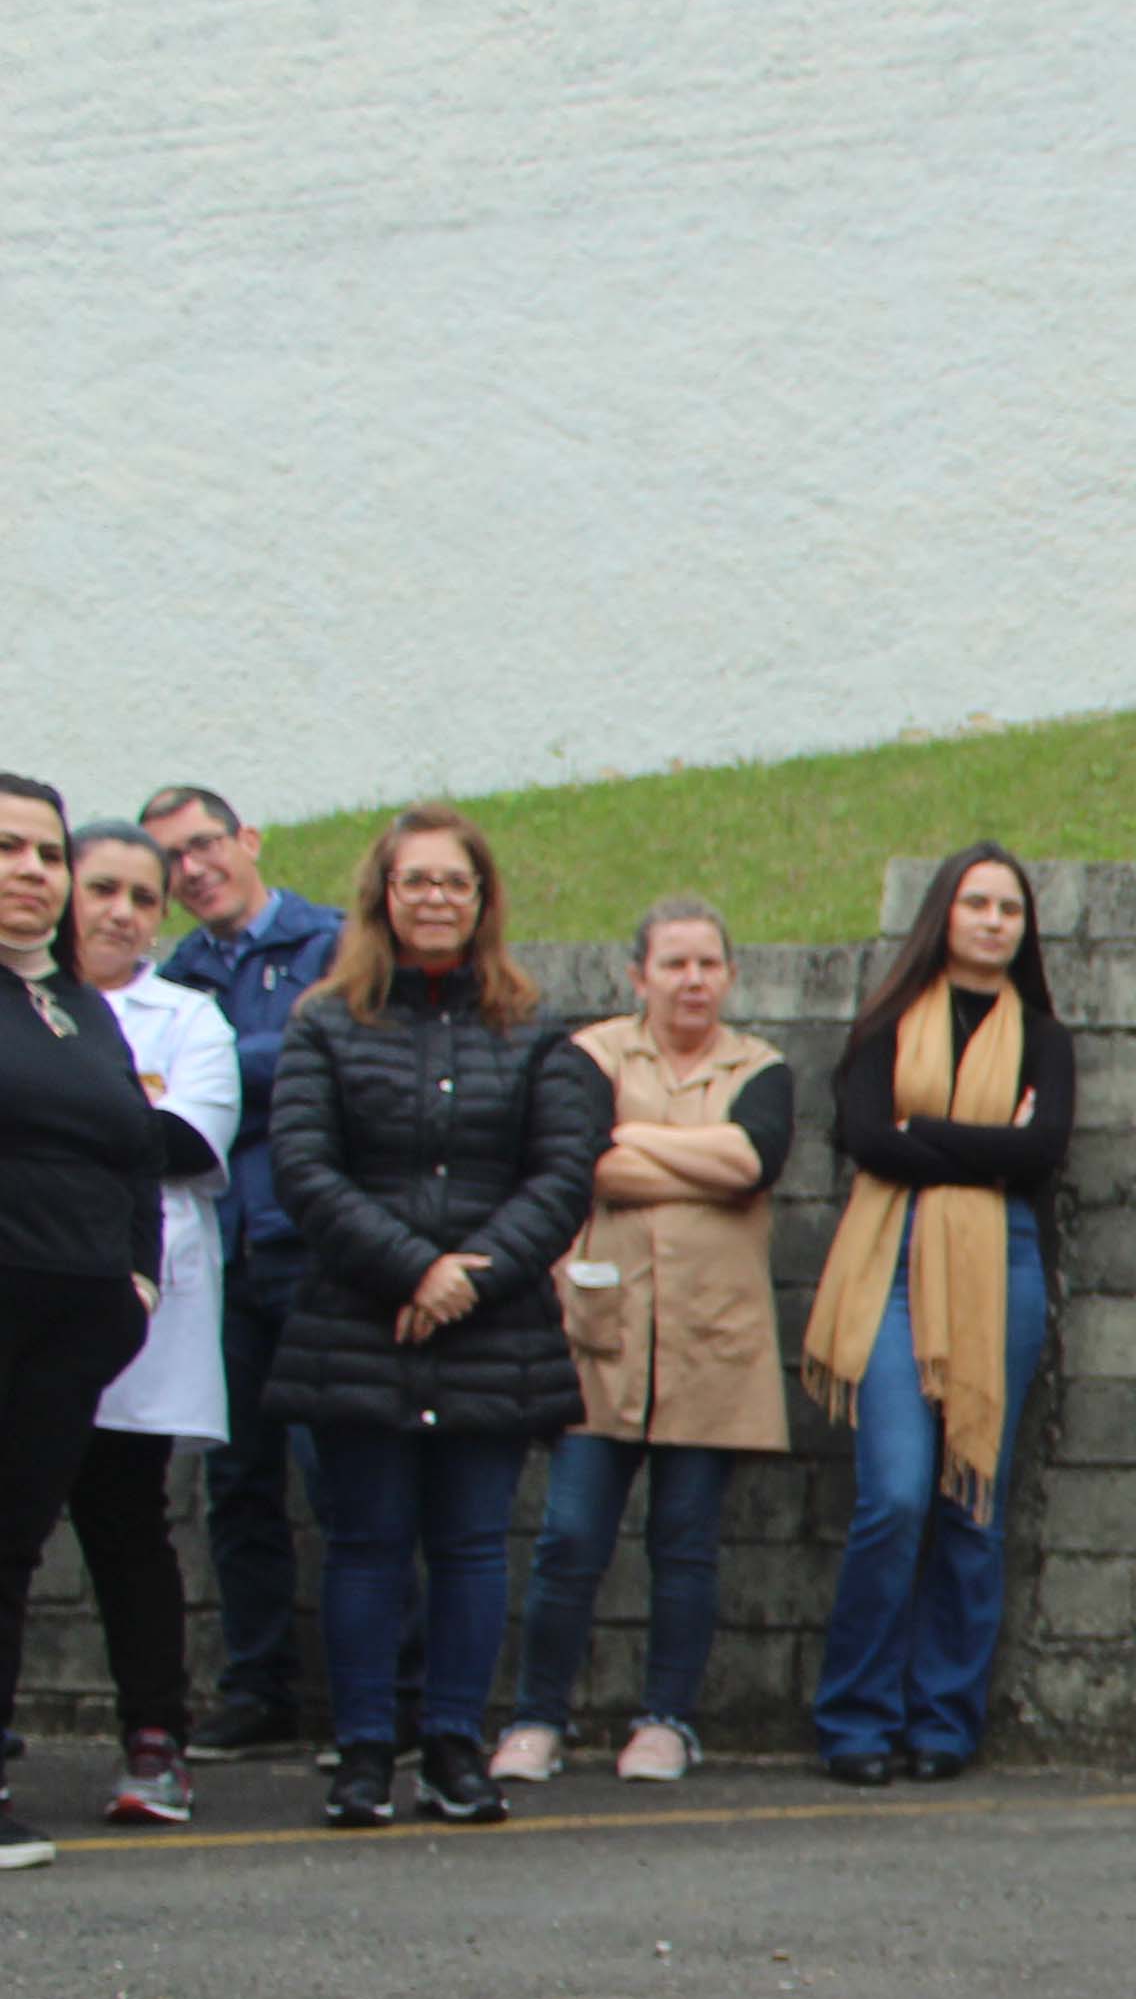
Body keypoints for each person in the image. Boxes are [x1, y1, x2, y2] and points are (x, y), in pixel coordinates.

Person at [263, 807, 611, 1829]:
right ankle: (366, 1748)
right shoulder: (324, 1024)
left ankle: (456, 1745)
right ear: (383, 895)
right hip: (359, 1322)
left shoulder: (533, 1030)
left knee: (469, 1546)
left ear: (482, 900)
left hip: (490, 1330)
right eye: (415, 881)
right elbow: (304, 1170)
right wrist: (414, 1270)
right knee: (365, 1544)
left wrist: (471, 1275)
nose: (435, 899)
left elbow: (561, 1175)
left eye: (454, 882)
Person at [494, 900, 793, 1786]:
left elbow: (756, 1161)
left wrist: (634, 1142)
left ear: (730, 976)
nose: (693, 980)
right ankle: (538, 1719)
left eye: (709, 964)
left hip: (712, 1340)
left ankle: (667, 1719)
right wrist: (695, 1158)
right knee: (571, 1536)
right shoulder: (589, 1055)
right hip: (603, 1335)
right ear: (638, 976)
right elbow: (583, 1160)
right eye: (674, 964)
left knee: (685, 1543)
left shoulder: (761, 1067)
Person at [801, 843, 1072, 1786]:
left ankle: (943, 1722)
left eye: (1010, 907)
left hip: (1003, 1266)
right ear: (942, 917)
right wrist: (983, 1148)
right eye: (977, 903)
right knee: (898, 1496)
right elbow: (870, 1140)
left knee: (973, 1504)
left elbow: (1043, 1153)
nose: (995, 921)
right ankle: (856, 1718)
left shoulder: (1042, 1035)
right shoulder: (885, 1023)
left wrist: (932, 1138)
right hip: (891, 1264)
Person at [140, 784, 342, 1755]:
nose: (193, 869)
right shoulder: (170, 970)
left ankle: (376, 1695)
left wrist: (213, 1071)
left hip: (313, 1251)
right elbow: (159, 1099)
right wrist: (260, 1057)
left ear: (249, 839)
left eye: (206, 844)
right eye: (172, 858)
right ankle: (257, 1690)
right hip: (219, 1261)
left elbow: (333, 1059)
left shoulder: (333, 944)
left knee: (345, 1479)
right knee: (239, 1488)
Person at [50, 829, 239, 1828]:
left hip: (138, 1310)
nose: (122, 911)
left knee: (129, 1530)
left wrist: (52, 1112)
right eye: (102, 888)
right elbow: (135, 1124)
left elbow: (180, 1138)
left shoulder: (191, 1018)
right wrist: (117, 1108)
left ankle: (155, 1740)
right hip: (24, 1296)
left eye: (144, 896)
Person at [0, 781, 170, 1871]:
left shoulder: (81, 1003)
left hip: (74, 1322)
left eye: (47, 854)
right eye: (7, 848)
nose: (32, 870)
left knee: (10, 1550)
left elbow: (138, 1156)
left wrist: (137, 1286)